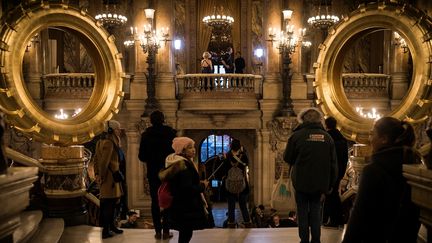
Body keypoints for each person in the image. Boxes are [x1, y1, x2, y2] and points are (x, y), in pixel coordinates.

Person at [343, 117, 421, 243]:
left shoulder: (373, 170)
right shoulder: (414, 166)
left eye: (372, 134)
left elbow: (359, 216)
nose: (370, 139)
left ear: (384, 139)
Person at [284, 107, 338, 243]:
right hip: (320, 183)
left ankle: (304, 240)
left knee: (302, 213)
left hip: (301, 182)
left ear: (302, 120)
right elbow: (333, 164)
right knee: (316, 211)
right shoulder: (327, 137)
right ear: (320, 120)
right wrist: (331, 184)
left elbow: (287, 157)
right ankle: (316, 240)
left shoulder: (296, 136)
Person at [159, 137, 209, 243]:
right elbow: (187, 188)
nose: (193, 150)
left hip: (180, 204)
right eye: (190, 148)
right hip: (186, 205)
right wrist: (202, 186)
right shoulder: (184, 165)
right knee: (186, 233)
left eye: (193, 147)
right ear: (182, 150)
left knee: (185, 233)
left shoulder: (177, 162)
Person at [138, 110, 177, 240]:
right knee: (167, 200)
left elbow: (141, 156)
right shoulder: (170, 133)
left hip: (153, 172)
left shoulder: (146, 135)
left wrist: (151, 158)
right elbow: (175, 154)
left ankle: (157, 232)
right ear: (163, 119)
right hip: (167, 172)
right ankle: (166, 231)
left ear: (150, 121)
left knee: (155, 201)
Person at [94, 120, 124, 239]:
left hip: (109, 177)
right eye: (117, 129)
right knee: (108, 205)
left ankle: (112, 226)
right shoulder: (109, 143)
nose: (119, 131)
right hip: (109, 178)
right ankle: (106, 230)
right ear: (111, 130)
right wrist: (101, 176)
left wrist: (96, 174)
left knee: (111, 203)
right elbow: (103, 162)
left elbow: (95, 160)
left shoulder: (100, 141)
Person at [323, 116, 349, 228]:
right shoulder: (342, 139)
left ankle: (334, 219)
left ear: (326, 125)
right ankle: (338, 218)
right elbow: (345, 158)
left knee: (330, 195)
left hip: (330, 171)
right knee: (334, 195)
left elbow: (326, 157)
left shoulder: (327, 138)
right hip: (339, 171)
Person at [222, 138, 252, 228]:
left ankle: (231, 224)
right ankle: (247, 223)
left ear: (230, 146)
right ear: (240, 147)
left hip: (230, 184)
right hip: (242, 184)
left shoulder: (227, 156)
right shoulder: (244, 156)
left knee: (231, 206)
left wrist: (224, 159)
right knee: (243, 205)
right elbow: (247, 165)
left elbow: (224, 171)